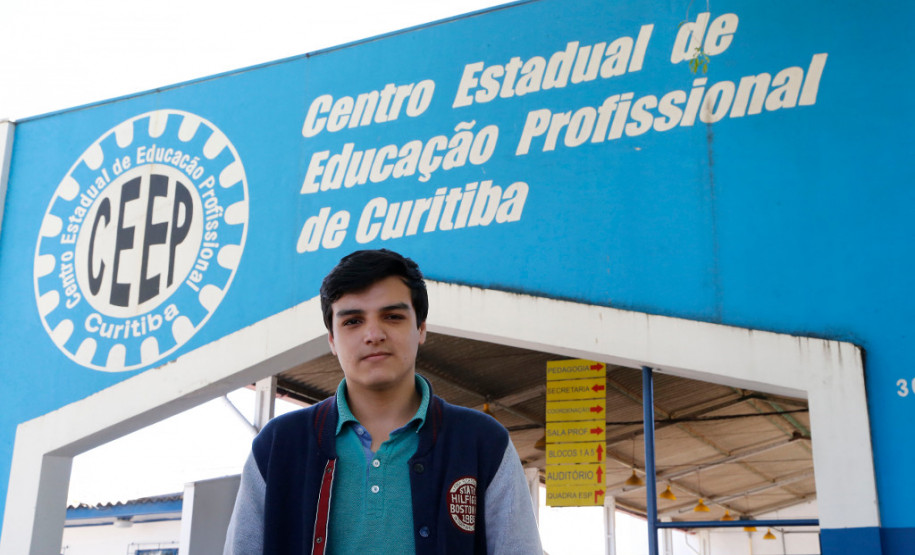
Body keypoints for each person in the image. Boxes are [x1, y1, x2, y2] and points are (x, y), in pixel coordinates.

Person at [224, 249, 542, 554]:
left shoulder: (482, 442)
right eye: (352, 321)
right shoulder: (277, 446)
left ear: (421, 329)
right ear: (332, 340)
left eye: (392, 316)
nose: (373, 334)